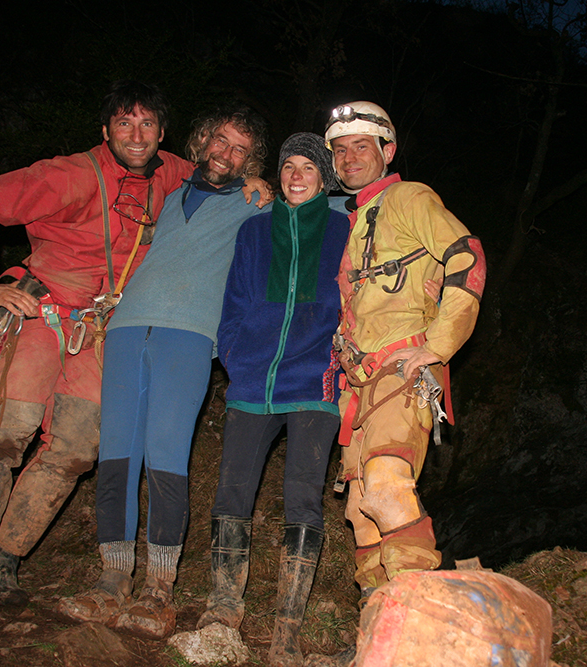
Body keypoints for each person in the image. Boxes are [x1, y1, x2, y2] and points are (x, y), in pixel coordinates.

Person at [0, 81, 195, 632]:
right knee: (2, 439)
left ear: (162, 133)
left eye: (148, 125)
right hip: (42, 313)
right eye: (124, 124)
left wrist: (254, 183)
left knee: (77, 450)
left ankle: (6, 564)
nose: (137, 135)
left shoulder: (171, 172)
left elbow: (214, 174)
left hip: (102, 328)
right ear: (105, 131)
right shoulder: (68, 175)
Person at [56, 105, 272, 640]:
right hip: (128, 329)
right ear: (202, 142)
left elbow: (312, 202)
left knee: (167, 455)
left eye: (240, 149)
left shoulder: (253, 205)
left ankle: (158, 587)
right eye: (220, 141)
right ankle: (111, 579)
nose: (225, 153)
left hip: (191, 335)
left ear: (250, 162)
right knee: (117, 454)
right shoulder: (171, 196)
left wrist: (267, 184)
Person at [196, 133, 349, 666]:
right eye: (289, 166)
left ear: (325, 177)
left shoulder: (343, 228)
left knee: (303, 496)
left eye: (309, 166)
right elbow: (234, 297)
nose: (296, 174)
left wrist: (338, 355)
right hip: (253, 377)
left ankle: (287, 629)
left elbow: (354, 295)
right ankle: (222, 608)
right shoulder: (255, 229)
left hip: (315, 380)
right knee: (232, 490)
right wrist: (235, 353)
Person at [326, 102, 487, 608]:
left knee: (387, 486)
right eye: (341, 149)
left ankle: (420, 609)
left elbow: (468, 255)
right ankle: (380, 615)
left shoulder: (409, 197)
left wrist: (438, 345)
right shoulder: (352, 220)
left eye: (362, 146)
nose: (350, 157)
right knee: (359, 510)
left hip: (402, 369)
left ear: (387, 151)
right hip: (359, 385)